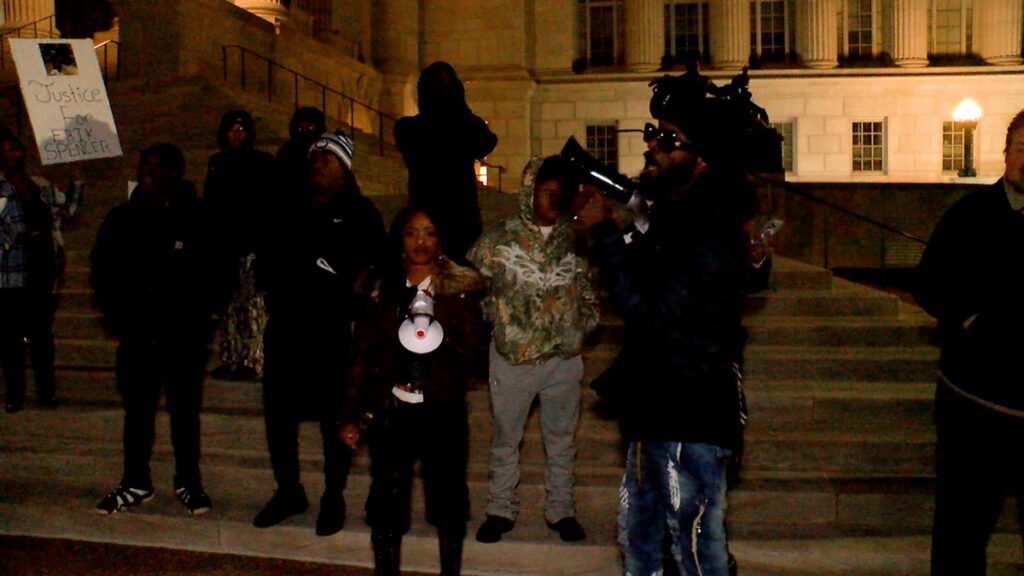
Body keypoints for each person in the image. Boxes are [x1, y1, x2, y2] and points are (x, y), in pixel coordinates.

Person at [575, 70, 762, 576]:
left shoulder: (707, 227)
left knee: (695, 552)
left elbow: (650, 313)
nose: (651, 146)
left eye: (668, 138)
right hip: (657, 410)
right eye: (652, 134)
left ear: (703, 159)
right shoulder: (677, 218)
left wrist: (605, 235)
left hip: (690, 415)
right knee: (642, 545)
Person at [341, 206, 488, 576]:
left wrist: (442, 332)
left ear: (441, 240)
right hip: (392, 411)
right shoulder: (381, 287)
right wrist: (352, 414)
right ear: (399, 238)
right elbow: (362, 354)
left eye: (429, 232)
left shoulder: (459, 290)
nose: (420, 241)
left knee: (449, 502)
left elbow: (476, 356)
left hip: (443, 409)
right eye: (412, 232)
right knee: (387, 504)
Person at [253, 129, 385, 537]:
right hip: (287, 328)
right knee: (279, 416)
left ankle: (333, 495)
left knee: (334, 418)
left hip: (333, 332)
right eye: (314, 156)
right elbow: (268, 258)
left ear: (344, 167)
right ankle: (289, 490)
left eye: (327, 158)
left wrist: (349, 285)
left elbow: (373, 269)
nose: (318, 163)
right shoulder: (289, 207)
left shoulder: (361, 213)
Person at [913, 108, 1024, 576]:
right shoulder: (969, 214)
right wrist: (972, 320)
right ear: (1006, 153)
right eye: (1022, 148)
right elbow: (928, 285)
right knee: (961, 532)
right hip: (973, 405)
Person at [467, 155, 599, 543]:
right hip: (512, 358)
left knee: (561, 439)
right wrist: (497, 320)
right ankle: (500, 509)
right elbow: (472, 290)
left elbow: (590, 289)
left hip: (563, 358)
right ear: (530, 191)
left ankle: (561, 509)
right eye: (547, 192)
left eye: (561, 193)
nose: (554, 200)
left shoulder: (575, 239)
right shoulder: (498, 238)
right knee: (506, 438)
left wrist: (581, 326)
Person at [91, 143, 222, 516]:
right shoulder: (122, 216)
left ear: (175, 173)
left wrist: (205, 314)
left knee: (184, 414)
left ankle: (189, 482)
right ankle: (135, 481)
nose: (148, 173)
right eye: (144, 165)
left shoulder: (197, 215)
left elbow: (217, 268)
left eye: (157, 166)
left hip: (184, 334)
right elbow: (102, 268)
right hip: (138, 333)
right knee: (137, 412)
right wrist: (117, 315)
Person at [394, 61, 498, 262]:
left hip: (462, 216)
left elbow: (486, 143)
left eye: (447, 86)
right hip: (427, 215)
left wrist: (459, 111)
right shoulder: (409, 128)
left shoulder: (463, 125)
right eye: (437, 85)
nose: (442, 91)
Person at [0, 127, 71, 413]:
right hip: (10, 272)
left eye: (13, 148)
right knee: (11, 338)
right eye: (4, 150)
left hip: (41, 268)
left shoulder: (39, 185)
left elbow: (65, 209)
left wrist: (77, 179)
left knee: (42, 334)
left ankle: (46, 391)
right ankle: (14, 394)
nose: (10, 155)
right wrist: (20, 236)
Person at [203, 110, 275, 381]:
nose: (236, 135)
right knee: (228, 306)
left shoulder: (261, 162)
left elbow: (268, 206)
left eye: (241, 130)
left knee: (251, 307)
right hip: (224, 248)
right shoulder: (218, 162)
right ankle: (231, 357)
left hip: (252, 247)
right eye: (232, 129)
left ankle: (251, 359)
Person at [276, 106, 327, 194]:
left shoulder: (327, 151)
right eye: (300, 129)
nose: (305, 132)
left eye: (310, 128)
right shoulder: (288, 150)